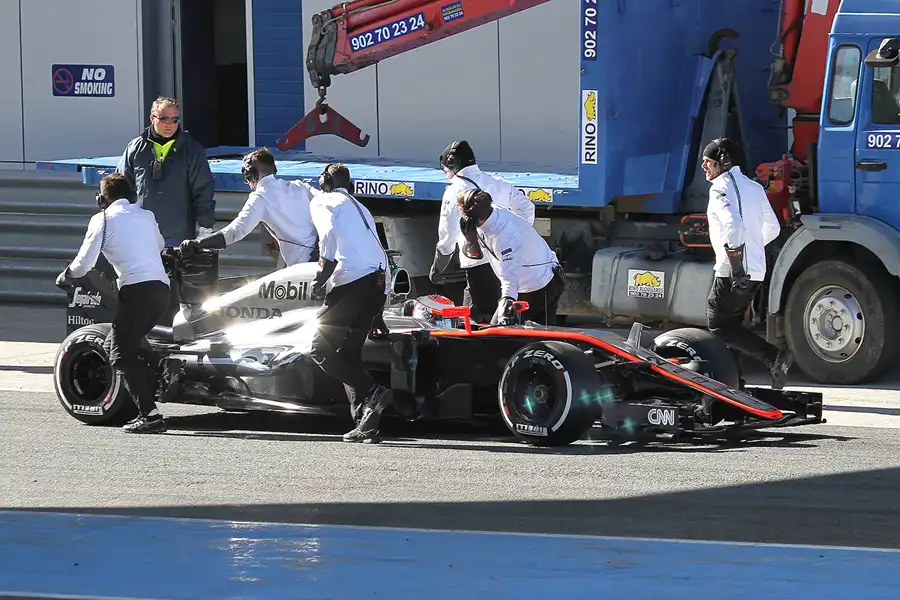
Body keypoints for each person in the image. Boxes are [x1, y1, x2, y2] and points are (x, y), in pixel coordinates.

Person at [55, 173, 171, 434]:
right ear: (130, 196)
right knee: (115, 344)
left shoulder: (102, 219)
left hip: (136, 290)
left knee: (120, 354)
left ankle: (150, 416)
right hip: (161, 289)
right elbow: (160, 245)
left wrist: (67, 276)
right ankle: (162, 368)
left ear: (102, 199)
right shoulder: (146, 216)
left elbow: (85, 262)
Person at [308, 163, 393, 444]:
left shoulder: (324, 200)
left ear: (325, 182)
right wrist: (379, 308)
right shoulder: (361, 207)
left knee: (319, 348)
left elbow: (328, 235)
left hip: (352, 280)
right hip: (378, 282)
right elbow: (380, 251)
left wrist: (321, 277)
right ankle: (365, 423)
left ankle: (371, 390)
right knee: (348, 353)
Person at [701, 137, 793, 389]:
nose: (704, 167)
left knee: (718, 325)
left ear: (723, 161)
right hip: (756, 272)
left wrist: (737, 266)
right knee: (732, 326)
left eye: (708, 162)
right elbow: (773, 228)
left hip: (733, 271)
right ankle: (735, 382)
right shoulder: (754, 187)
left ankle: (772, 358)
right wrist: (751, 250)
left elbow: (733, 227)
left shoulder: (720, 187)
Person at [117, 96, 216, 325]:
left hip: (178, 236)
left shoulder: (191, 149)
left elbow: (203, 189)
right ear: (152, 118)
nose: (170, 124)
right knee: (144, 289)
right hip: (142, 238)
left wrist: (206, 226)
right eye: (164, 119)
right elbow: (122, 186)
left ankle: (174, 331)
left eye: (175, 119)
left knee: (175, 291)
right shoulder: (136, 148)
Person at [431, 140, 536, 323]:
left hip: (480, 265)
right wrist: (515, 237)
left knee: (479, 320)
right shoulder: (499, 183)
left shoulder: (454, 190)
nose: (446, 175)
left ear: (452, 166)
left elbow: (447, 235)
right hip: (508, 260)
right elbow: (526, 208)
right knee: (508, 316)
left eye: (446, 170)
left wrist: (438, 267)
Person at [178, 147, 317, 265]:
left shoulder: (260, 198)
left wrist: (199, 243)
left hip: (303, 266)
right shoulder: (300, 186)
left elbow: (235, 232)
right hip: (325, 257)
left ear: (250, 174)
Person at [456, 189, 564, 327]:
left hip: (538, 287)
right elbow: (476, 256)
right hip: (536, 280)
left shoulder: (505, 237)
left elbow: (510, 278)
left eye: (463, 215)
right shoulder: (491, 211)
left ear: (474, 219)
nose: (462, 219)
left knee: (503, 337)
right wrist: (471, 239)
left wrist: (505, 308)